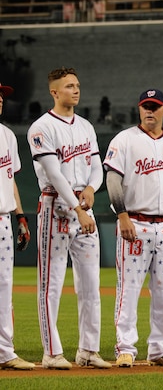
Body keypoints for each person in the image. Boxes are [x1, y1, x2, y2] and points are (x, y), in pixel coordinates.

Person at [104, 89, 163, 368]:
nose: (149, 111)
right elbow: (112, 180)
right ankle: (125, 347)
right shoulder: (125, 140)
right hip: (134, 223)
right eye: (145, 106)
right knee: (129, 289)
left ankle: (161, 348)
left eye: (155, 107)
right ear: (139, 109)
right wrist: (121, 215)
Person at [27, 67, 111, 369]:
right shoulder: (41, 127)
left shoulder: (86, 126)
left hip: (81, 204)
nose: (75, 90)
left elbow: (96, 166)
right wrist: (77, 207)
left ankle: (89, 350)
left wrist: (91, 188)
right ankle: (52, 352)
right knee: (50, 284)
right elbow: (53, 173)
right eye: (68, 86)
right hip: (56, 206)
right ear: (54, 92)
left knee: (91, 284)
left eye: (77, 85)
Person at [0, 82, 35, 371]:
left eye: (1, 97)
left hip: (3, 221)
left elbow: (10, 178)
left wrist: (20, 217)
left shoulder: (8, 136)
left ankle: (5, 352)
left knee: (4, 286)